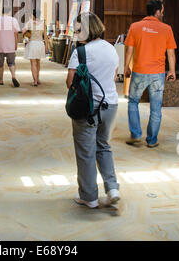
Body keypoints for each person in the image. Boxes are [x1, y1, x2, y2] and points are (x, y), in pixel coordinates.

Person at [66, 12, 120, 209]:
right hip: (111, 105)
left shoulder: (81, 53)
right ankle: (112, 188)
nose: (76, 33)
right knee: (104, 146)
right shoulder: (111, 49)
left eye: (78, 29)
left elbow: (70, 82)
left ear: (87, 30)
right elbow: (113, 77)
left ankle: (89, 197)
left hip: (87, 109)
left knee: (86, 152)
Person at [124, 0, 177, 148]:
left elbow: (129, 50)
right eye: (162, 10)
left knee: (133, 102)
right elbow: (171, 53)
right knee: (156, 107)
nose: (163, 13)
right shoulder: (167, 29)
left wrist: (126, 67)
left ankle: (135, 135)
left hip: (139, 71)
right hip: (158, 74)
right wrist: (172, 70)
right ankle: (152, 140)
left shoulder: (135, 27)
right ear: (158, 12)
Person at [0, 5, 20, 87]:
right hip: (10, 46)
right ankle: (13, 76)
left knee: (0, 64)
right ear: (9, 12)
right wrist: (16, 44)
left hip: (0, 45)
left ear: (2, 11)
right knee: (11, 63)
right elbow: (16, 34)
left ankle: (1, 80)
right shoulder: (13, 20)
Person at [22, 10, 48, 86]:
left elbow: (23, 31)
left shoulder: (30, 23)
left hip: (32, 43)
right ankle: (38, 78)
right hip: (40, 44)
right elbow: (45, 37)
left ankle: (35, 81)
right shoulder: (43, 23)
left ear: (33, 15)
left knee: (33, 63)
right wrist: (46, 47)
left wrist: (26, 34)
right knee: (38, 62)